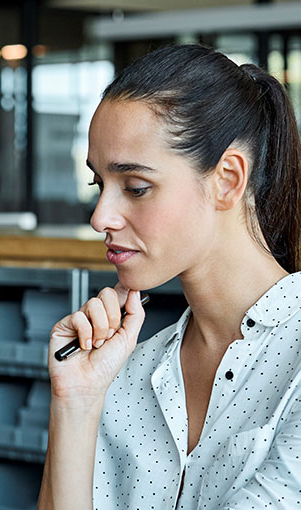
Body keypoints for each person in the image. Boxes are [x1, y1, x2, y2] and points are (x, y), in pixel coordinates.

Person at [38, 44, 301, 509]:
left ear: (227, 179)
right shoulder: (118, 374)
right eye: (99, 185)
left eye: (136, 188)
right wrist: (75, 403)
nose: (101, 217)